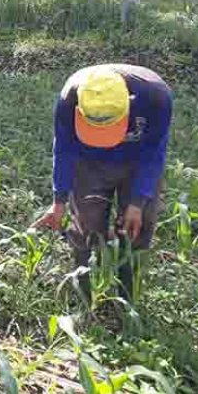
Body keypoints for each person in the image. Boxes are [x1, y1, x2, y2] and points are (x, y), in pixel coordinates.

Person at [33, 64, 173, 303]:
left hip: (136, 162)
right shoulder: (70, 96)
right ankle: (83, 292)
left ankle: (128, 295)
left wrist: (138, 202)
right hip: (90, 164)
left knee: (138, 226)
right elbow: (64, 149)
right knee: (85, 225)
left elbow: (153, 153)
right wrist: (59, 201)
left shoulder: (155, 97)